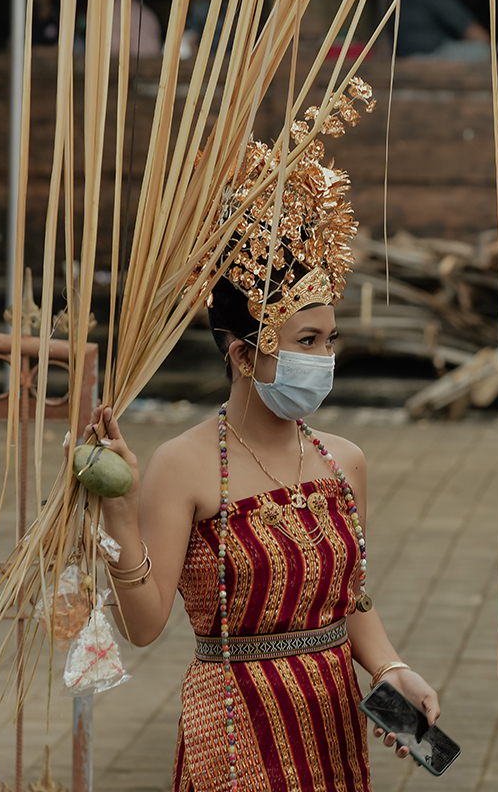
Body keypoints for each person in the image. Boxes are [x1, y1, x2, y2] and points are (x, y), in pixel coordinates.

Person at [81, 81, 440, 791]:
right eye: (305, 340)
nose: (323, 359)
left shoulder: (345, 461)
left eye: (330, 340)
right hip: (236, 731)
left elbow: (351, 605)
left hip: (335, 726)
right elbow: (144, 625)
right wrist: (117, 513)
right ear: (243, 354)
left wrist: (396, 673)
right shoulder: (184, 464)